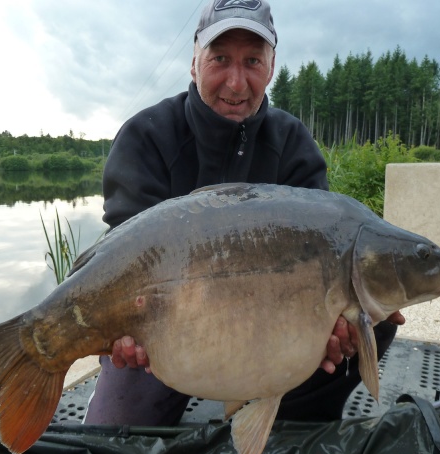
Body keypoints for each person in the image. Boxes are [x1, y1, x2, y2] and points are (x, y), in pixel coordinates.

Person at [83, 0, 404, 426]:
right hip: (166, 334)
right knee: (113, 440)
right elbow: (122, 259)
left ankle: (289, 429)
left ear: (271, 67)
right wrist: (121, 331)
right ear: (194, 64)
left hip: (269, 331)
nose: (236, 83)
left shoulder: (292, 145)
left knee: (371, 318)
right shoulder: (147, 137)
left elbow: (329, 258)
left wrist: (335, 325)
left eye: (252, 61)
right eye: (220, 60)